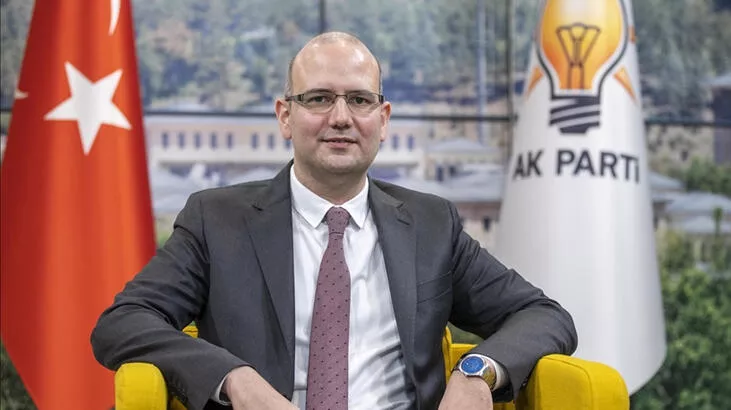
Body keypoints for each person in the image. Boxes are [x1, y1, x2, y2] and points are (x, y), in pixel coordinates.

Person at [91, 31, 577, 410]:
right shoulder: (216, 220)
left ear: (383, 120)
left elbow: (544, 316)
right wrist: (233, 378)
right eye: (319, 98)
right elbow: (123, 323)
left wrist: (476, 373)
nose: (341, 117)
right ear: (285, 116)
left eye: (360, 100)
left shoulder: (431, 224)